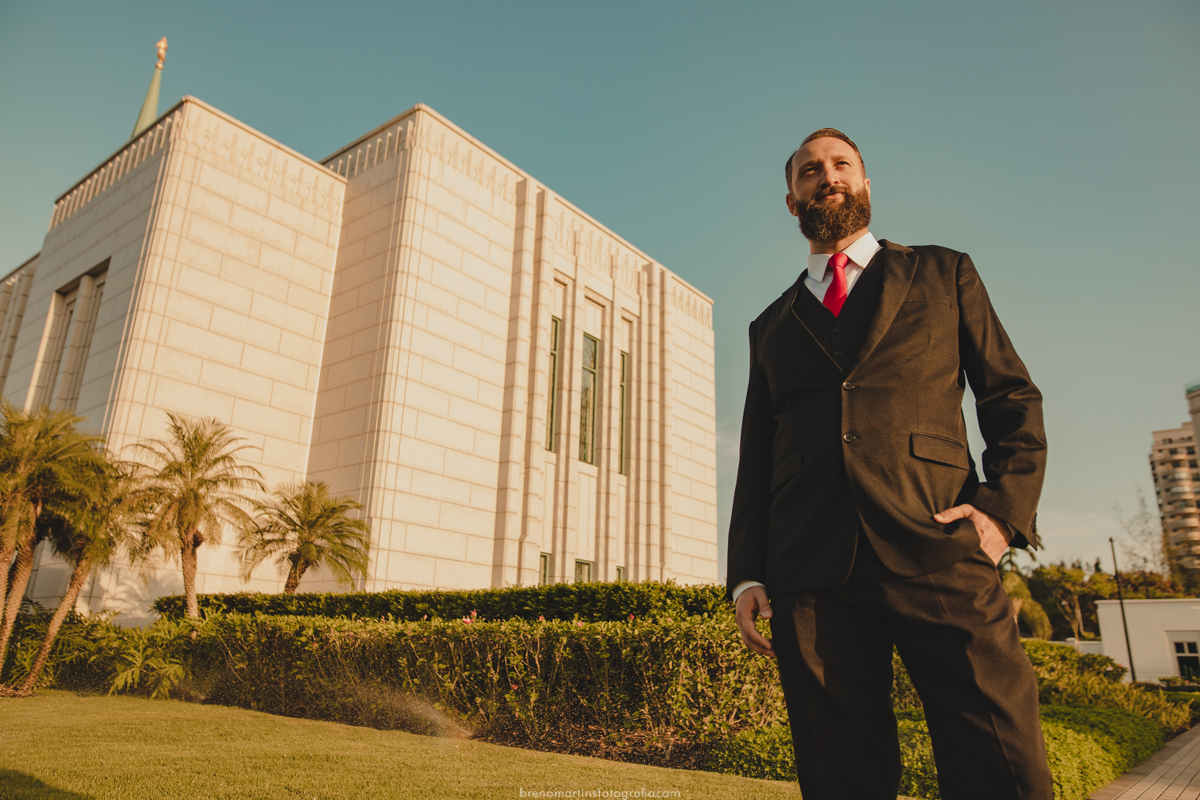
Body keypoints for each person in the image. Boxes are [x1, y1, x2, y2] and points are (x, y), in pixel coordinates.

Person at [726, 128, 1052, 800]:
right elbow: (756, 456)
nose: (827, 176)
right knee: (839, 776)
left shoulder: (944, 272)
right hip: (810, 570)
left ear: (865, 183)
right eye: (809, 170)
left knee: (1002, 760)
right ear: (791, 201)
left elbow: (1011, 397)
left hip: (940, 541)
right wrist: (747, 573)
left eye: (841, 164)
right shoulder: (770, 326)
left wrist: (1001, 513)